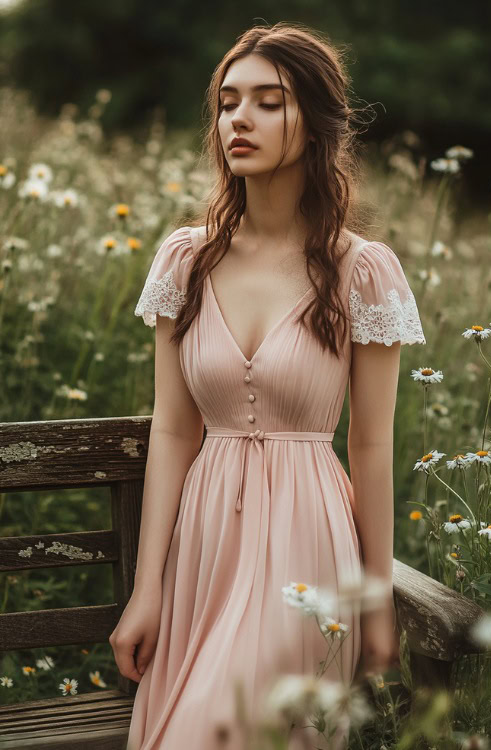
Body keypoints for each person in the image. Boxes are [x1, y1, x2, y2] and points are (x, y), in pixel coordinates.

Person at [110, 22, 426, 750]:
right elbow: (174, 430)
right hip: (204, 549)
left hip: (306, 551)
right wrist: (148, 588)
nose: (238, 121)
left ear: (314, 125)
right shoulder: (184, 261)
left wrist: (373, 604)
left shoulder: (362, 270)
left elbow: (371, 444)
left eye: (267, 102)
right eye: (227, 103)